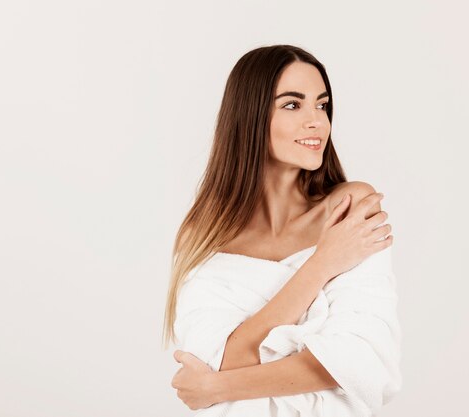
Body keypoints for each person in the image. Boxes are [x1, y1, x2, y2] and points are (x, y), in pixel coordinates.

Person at [163, 44, 401, 416]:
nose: (317, 121)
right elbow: (224, 356)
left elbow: (359, 361)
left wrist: (216, 387)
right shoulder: (203, 236)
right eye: (293, 105)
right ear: (250, 116)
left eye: (322, 105)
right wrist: (323, 264)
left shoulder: (350, 209)